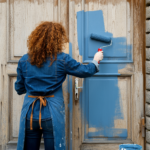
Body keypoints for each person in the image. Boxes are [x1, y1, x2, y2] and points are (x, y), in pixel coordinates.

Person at [15, 21, 103, 150]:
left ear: (36, 38)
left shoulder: (24, 60)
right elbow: (85, 71)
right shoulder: (62, 59)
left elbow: (19, 88)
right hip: (52, 114)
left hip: (30, 113)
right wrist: (96, 60)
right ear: (57, 39)